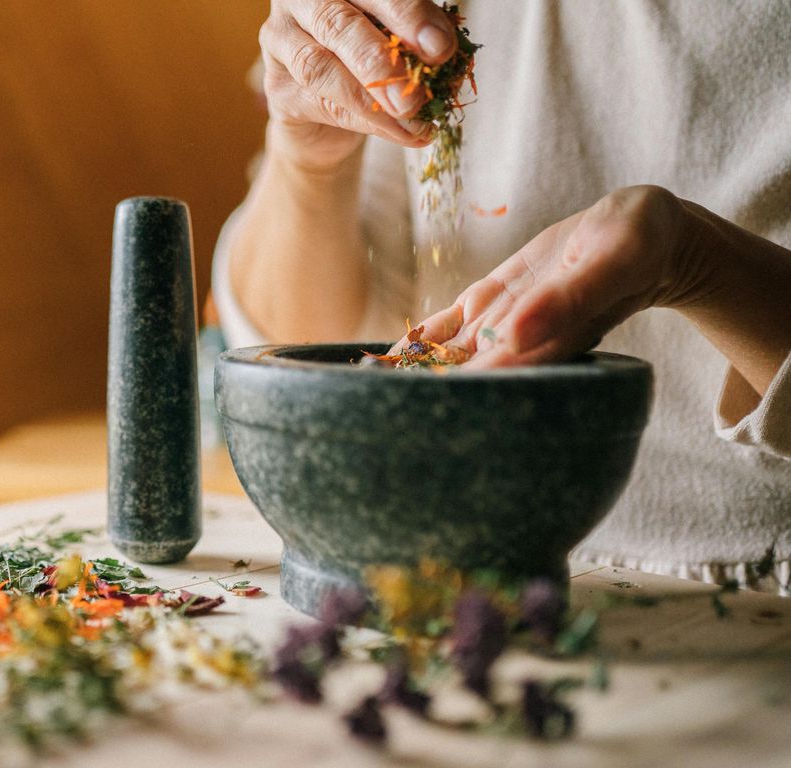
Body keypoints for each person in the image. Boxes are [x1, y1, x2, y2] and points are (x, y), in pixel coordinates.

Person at [213, 0, 791, 592]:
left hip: (747, 583)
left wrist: (700, 264)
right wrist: (310, 161)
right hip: (441, 559)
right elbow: (303, 342)